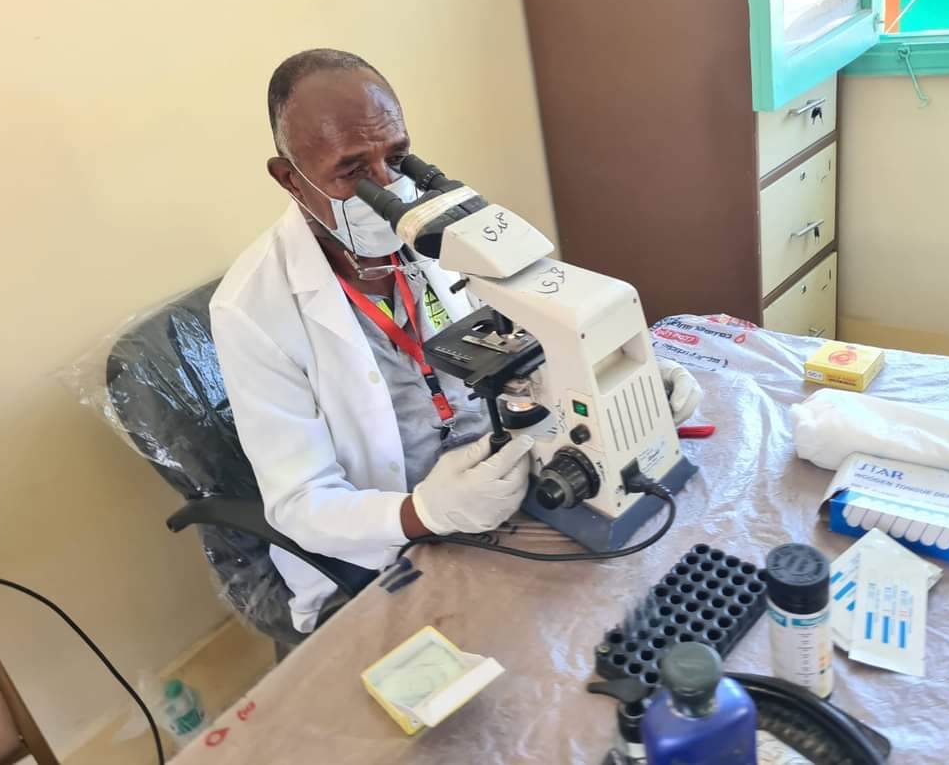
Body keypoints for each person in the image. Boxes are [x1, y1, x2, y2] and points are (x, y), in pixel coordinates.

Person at [211, 49, 702, 633]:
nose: (388, 185)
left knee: (655, 592)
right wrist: (426, 511)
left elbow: (532, 329)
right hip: (396, 539)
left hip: (512, 480)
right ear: (290, 177)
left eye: (397, 157)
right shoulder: (252, 310)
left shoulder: (434, 230)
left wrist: (622, 372)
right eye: (352, 171)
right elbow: (300, 505)